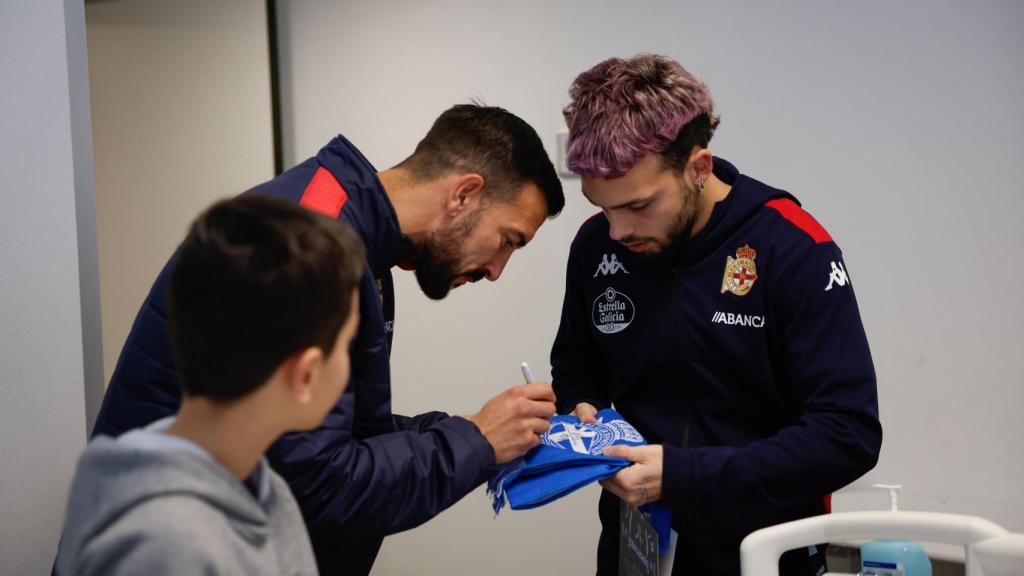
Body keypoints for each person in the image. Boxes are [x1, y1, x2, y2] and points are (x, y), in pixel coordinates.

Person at [90, 104, 564, 574]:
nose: (498, 270)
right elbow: (315, 485)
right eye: (508, 239)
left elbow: (337, 432)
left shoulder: (356, 246)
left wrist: (478, 429)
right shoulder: (303, 253)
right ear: (463, 194)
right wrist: (476, 440)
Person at [551, 54, 882, 575]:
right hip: (635, 544)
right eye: (600, 205)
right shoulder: (597, 245)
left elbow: (848, 436)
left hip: (765, 553)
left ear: (698, 168)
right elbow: (577, 363)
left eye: (638, 207)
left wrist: (683, 475)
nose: (616, 230)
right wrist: (583, 408)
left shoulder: (792, 248)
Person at [56, 196, 364, 575]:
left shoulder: (263, 489)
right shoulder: (165, 548)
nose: (351, 366)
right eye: (348, 345)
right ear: (305, 375)